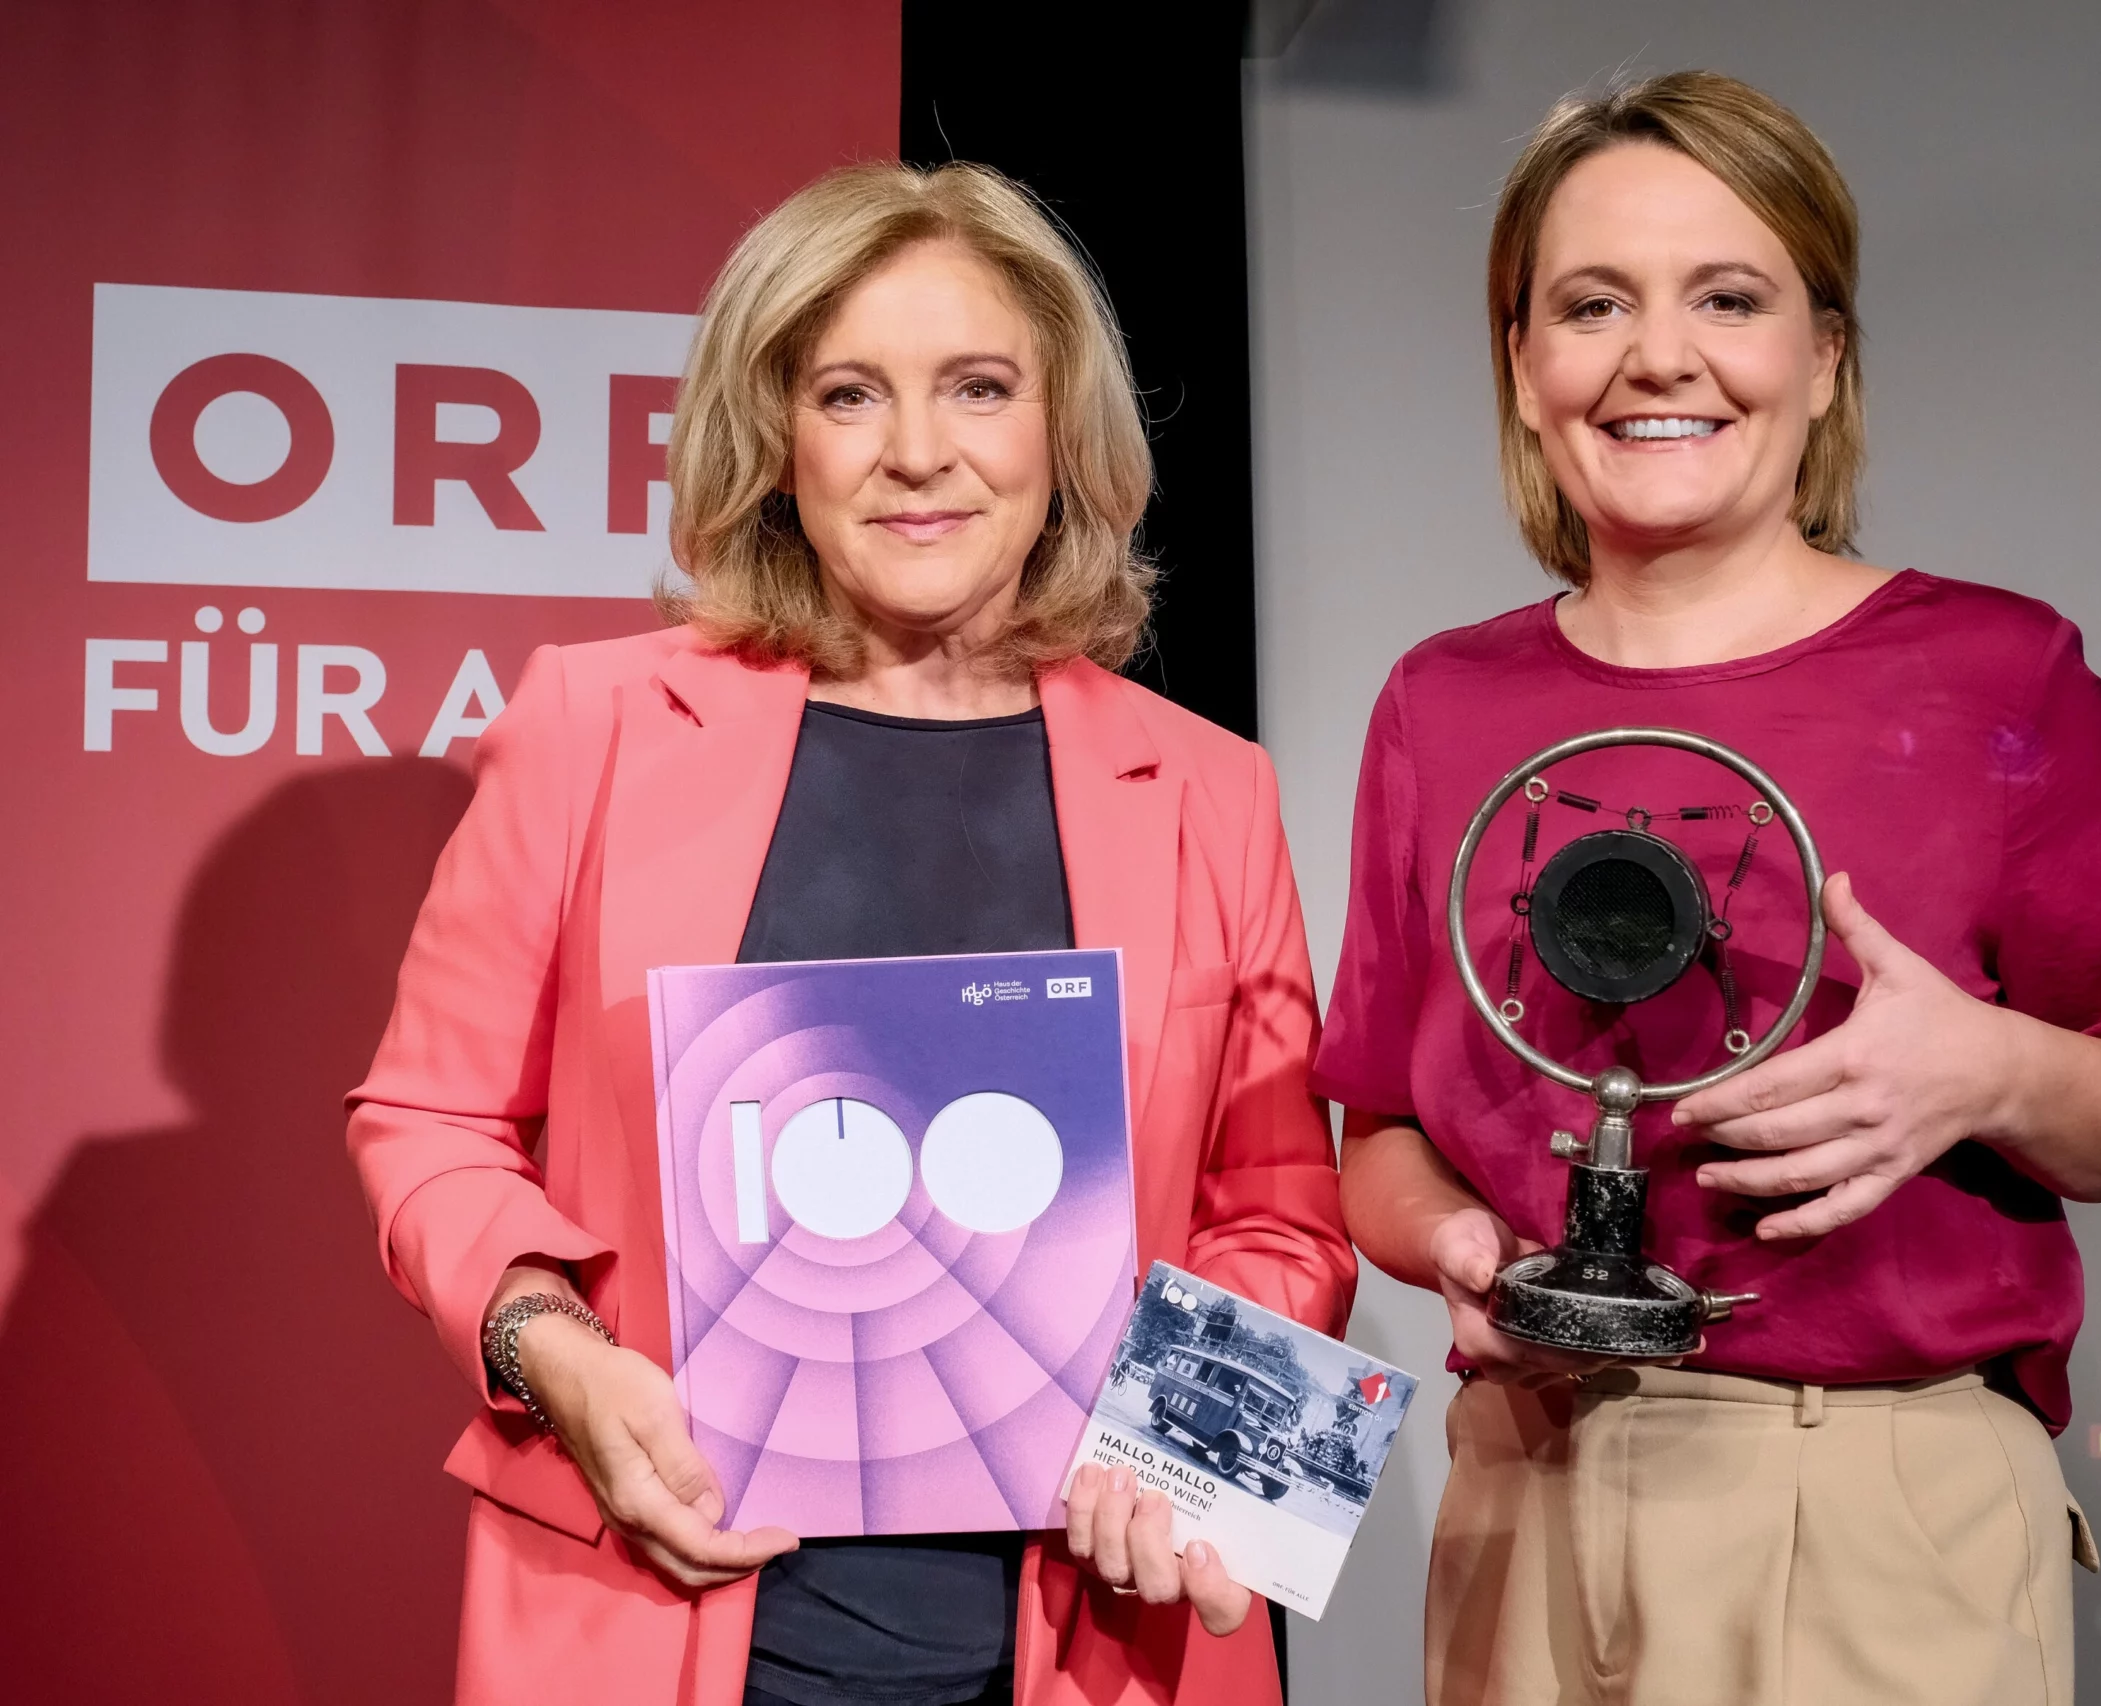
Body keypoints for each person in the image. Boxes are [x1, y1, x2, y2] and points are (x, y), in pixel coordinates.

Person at [348, 162, 1354, 1706]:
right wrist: (549, 1340)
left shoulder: (1207, 786)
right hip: (652, 1607)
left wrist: (1182, 1442)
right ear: (776, 442)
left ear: (1059, 430)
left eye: (977, 386)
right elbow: (431, 1120)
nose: (918, 453)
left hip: (1084, 1641)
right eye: (849, 395)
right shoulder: (593, 724)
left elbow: (1281, 1216)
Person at [1316, 72, 2101, 1706]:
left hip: (1878, 1498)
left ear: (1823, 355)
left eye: (1727, 298)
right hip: (1528, 1486)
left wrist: (1992, 1068)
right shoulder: (1440, 701)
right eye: (1591, 304)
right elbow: (1377, 1126)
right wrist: (1457, 1245)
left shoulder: (1994, 673)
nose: (1657, 356)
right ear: (1525, 367)